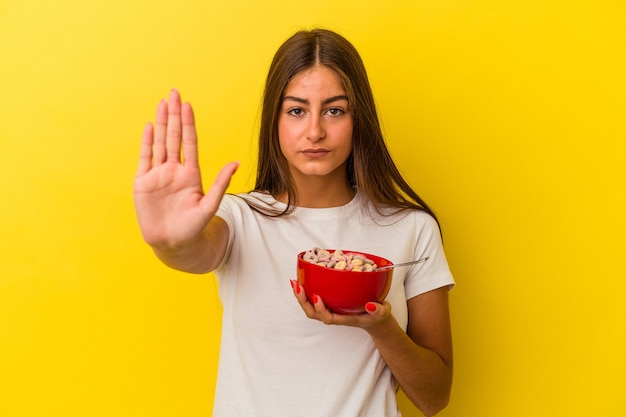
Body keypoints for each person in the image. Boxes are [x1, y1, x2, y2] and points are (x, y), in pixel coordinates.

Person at [134, 28, 454, 417]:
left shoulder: (411, 229)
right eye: (297, 110)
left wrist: (379, 325)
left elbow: (435, 397)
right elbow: (195, 252)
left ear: (358, 119)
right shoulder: (240, 219)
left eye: (334, 110)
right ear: (276, 120)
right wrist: (169, 242)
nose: (315, 130)